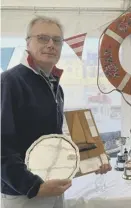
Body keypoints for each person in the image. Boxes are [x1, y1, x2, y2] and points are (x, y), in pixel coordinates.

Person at [1, 16, 111, 208]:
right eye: (43, 38)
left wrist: (92, 160)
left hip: (54, 187)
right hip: (24, 195)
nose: (51, 44)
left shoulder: (55, 86)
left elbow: (55, 140)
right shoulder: (10, 82)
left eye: (57, 40)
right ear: (28, 42)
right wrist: (33, 186)